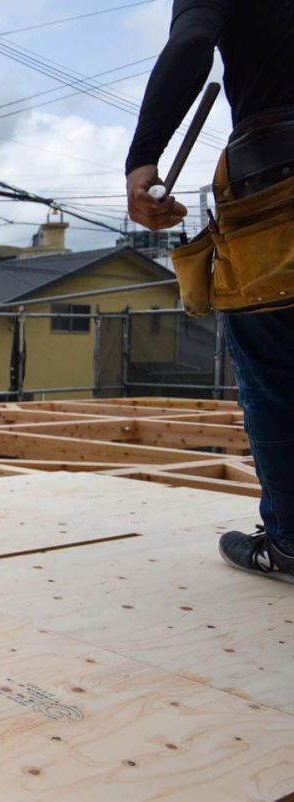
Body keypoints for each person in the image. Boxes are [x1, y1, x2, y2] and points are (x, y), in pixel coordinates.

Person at [125, 0, 294, 583]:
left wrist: (142, 158)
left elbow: (193, 44)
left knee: (274, 368)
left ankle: (290, 543)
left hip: (278, 183)